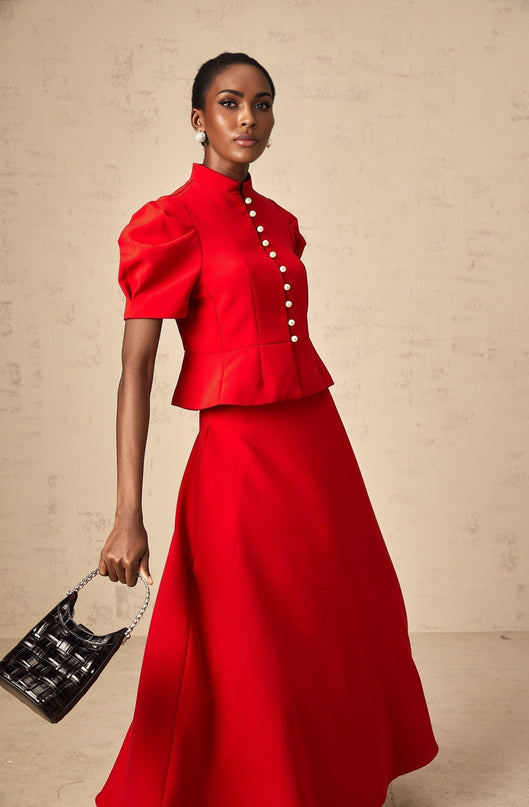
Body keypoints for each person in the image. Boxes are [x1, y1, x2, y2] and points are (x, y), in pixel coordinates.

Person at [95, 52, 438, 807]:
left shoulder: (279, 220)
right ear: (199, 119)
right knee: (247, 632)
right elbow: (136, 373)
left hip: (317, 440)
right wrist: (128, 512)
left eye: (262, 104)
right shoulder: (168, 223)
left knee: (342, 611)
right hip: (239, 452)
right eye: (228, 103)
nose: (248, 118)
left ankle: (332, 779)